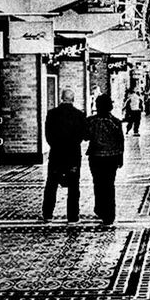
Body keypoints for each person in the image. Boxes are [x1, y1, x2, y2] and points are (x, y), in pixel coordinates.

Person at [42, 87, 89, 223]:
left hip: (56, 154)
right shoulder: (79, 115)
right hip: (73, 155)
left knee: (51, 184)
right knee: (74, 186)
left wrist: (55, 145)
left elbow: (48, 134)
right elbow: (83, 135)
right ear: (73, 99)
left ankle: (47, 213)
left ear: (61, 98)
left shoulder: (52, 114)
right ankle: (73, 216)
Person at [87, 94, 125, 226]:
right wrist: (120, 158)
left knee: (98, 183)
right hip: (112, 157)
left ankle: (100, 208)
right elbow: (120, 141)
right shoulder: (116, 122)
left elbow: (86, 137)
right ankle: (109, 215)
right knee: (109, 185)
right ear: (110, 106)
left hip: (96, 157)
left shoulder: (91, 121)